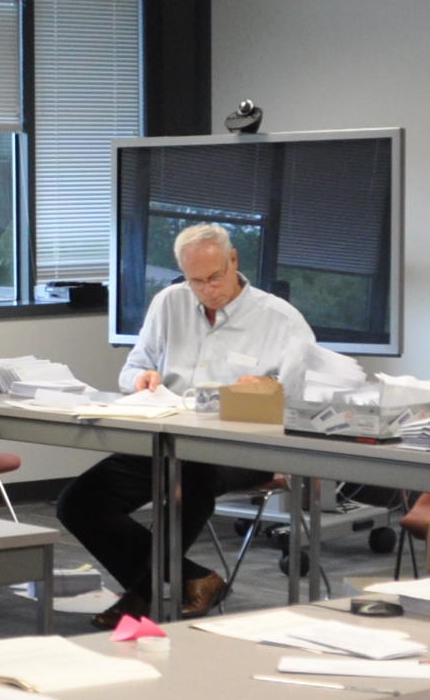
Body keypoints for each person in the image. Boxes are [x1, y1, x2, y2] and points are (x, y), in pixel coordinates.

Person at [57, 224, 318, 625]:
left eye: (215, 277)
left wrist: (269, 390)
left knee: (193, 473)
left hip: (246, 448)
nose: (207, 290)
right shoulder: (169, 302)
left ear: (234, 261)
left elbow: (302, 404)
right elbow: (132, 368)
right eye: (195, 281)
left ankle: (141, 597)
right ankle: (195, 579)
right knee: (79, 503)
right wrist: (141, 380)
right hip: (166, 436)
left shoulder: (281, 320)